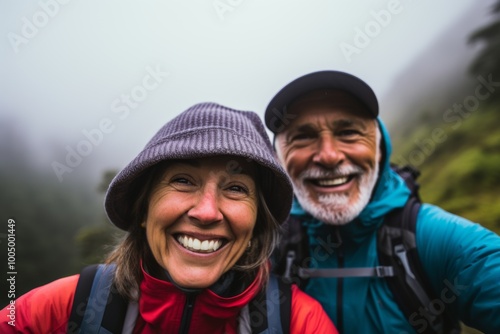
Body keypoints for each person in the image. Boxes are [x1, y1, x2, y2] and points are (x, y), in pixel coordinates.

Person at [0, 102, 338, 333]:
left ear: (255, 226)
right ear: (143, 210)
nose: (206, 212)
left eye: (235, 188)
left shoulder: (297, 322)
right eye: (182, 181)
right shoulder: (63, 308)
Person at [264, 70, 500, 333]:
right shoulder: (266, 249)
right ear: (279, 158)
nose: (329, 156)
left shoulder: (435, 239)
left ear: (379, 148)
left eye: (349, 132)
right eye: (303, 137)